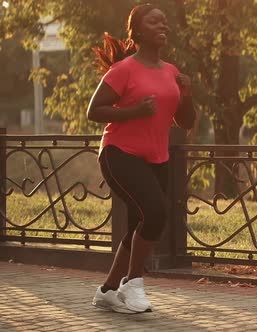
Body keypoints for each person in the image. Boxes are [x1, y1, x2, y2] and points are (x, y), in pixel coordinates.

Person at [87, 3, 195, 314]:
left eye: (165, 21)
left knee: (140, 222)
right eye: (154, 21)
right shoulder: (123, 70)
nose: (163, 25)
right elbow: (94, 111)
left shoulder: (172, 72)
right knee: (156, 212)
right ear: (137, 31)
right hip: (119, 153)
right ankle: (132, 284)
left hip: (156, 157)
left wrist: (186, 93)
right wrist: (134, 111)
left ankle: (107, 291)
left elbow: (185, 122)